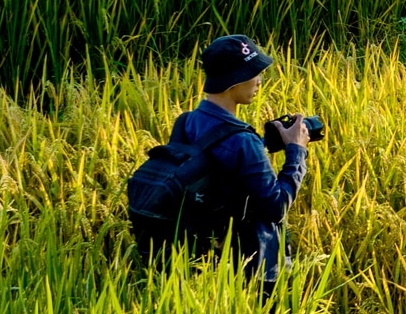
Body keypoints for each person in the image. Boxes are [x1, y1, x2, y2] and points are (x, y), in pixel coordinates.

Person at [128, 34, 308, 289]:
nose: (259, 80)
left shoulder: (186, 121)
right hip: (248, 269)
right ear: (232, 81)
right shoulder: (244, 142)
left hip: (202, 259)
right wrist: (296, 151)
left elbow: (209, 170)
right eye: (253, 73)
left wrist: (265, 145)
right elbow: (276, 206)